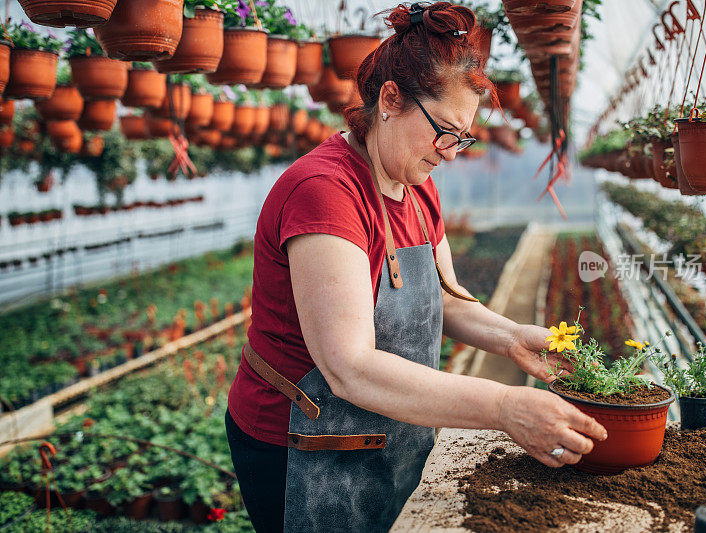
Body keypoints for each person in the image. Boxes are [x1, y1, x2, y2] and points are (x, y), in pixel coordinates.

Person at [225, 3, 607, 532]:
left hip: (383, 425)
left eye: (464, 138)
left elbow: (445, 296)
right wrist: (502, 406)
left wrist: (511, 336)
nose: (452, 154)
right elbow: (350, 367)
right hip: (303, 442)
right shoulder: (325, 193)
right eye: (446, 132)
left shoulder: (415, 188)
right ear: (390, 100)